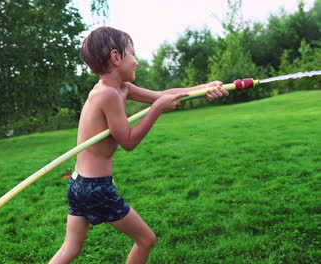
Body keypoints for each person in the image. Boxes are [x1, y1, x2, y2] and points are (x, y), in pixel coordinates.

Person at [49, 26, 228, 264]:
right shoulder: (107, 95)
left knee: (69, 249)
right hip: (95, 188)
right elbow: (129, 141)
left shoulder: (120, 89)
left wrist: (203, 89)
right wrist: (156, 111)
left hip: (78, 183)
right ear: (116, 57)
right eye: (132, 54)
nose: (136, 62)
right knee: (146, 240)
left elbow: (164, 94)